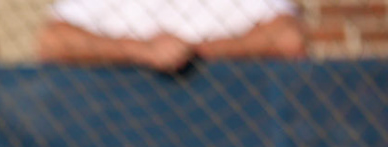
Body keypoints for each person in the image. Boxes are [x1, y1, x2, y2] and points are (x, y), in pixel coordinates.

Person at [36, 0, 306, 71]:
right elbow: (53, 41)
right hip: (121, 133)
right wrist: (142, 51)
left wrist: (196, 51)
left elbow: (289, 37)